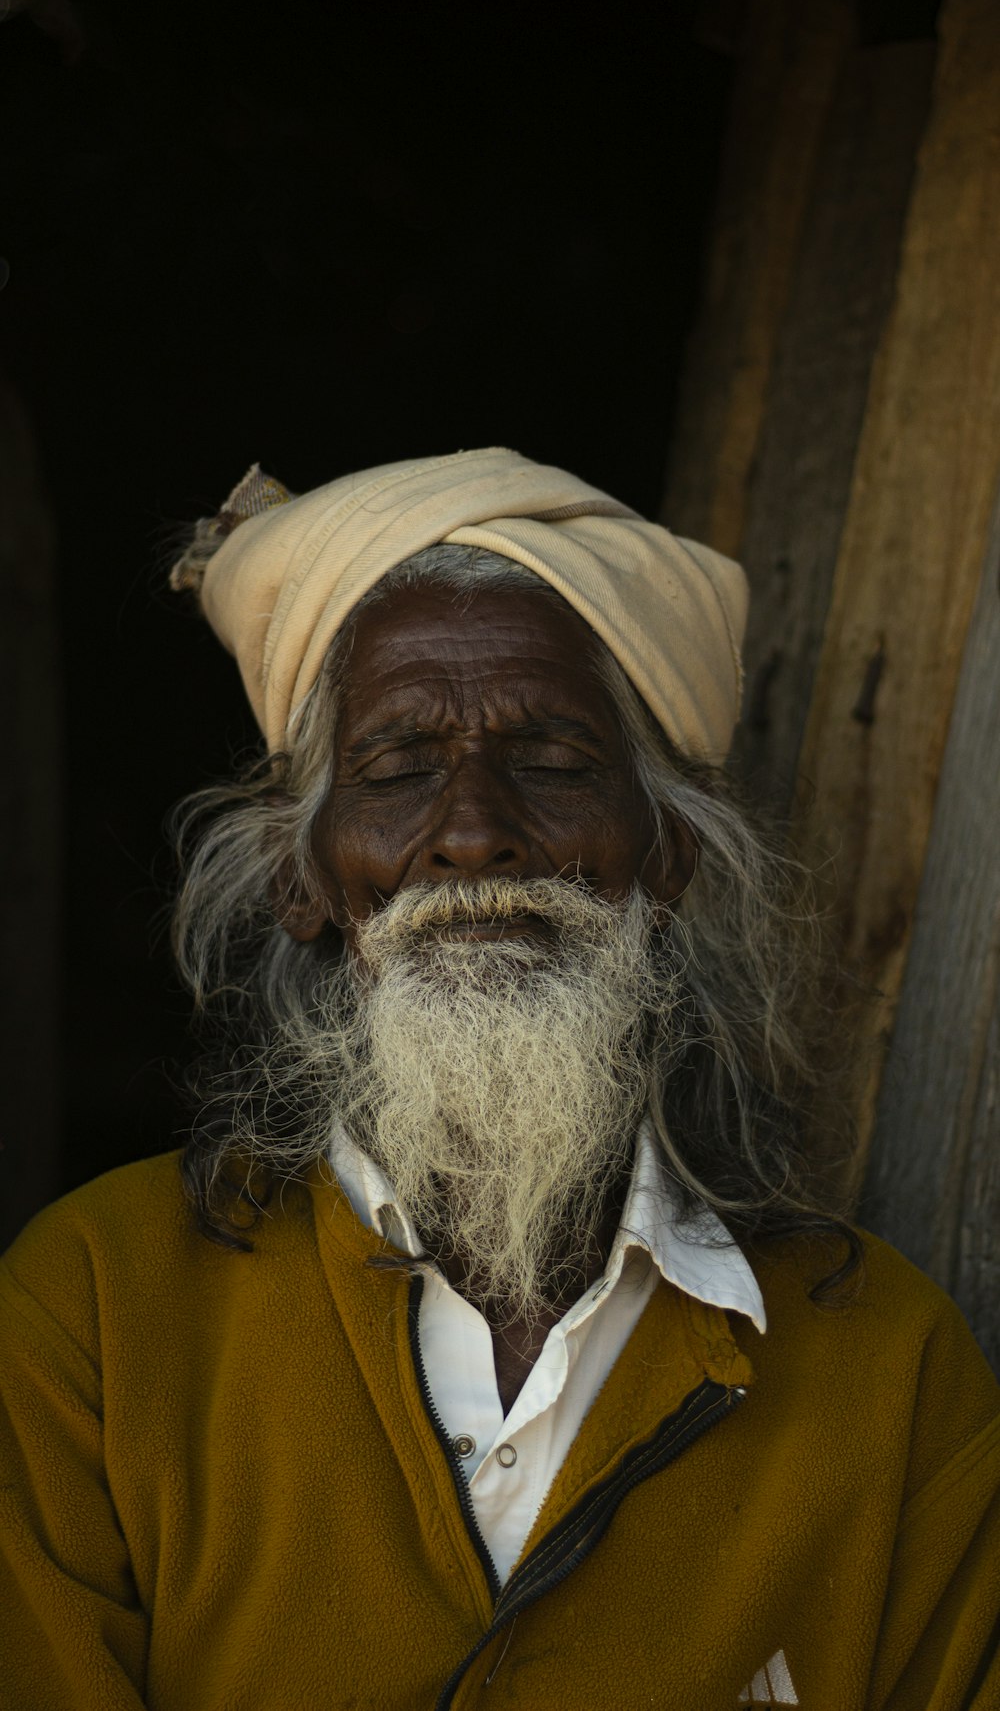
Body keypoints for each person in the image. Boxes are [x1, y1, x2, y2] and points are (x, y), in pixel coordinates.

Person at [1, 447, 998, 1711]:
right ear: (303, 880)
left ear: (668, 852)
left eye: (555, 757)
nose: (473, 828)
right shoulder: (94, 1314)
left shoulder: (887, 1374)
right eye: (398, 766)